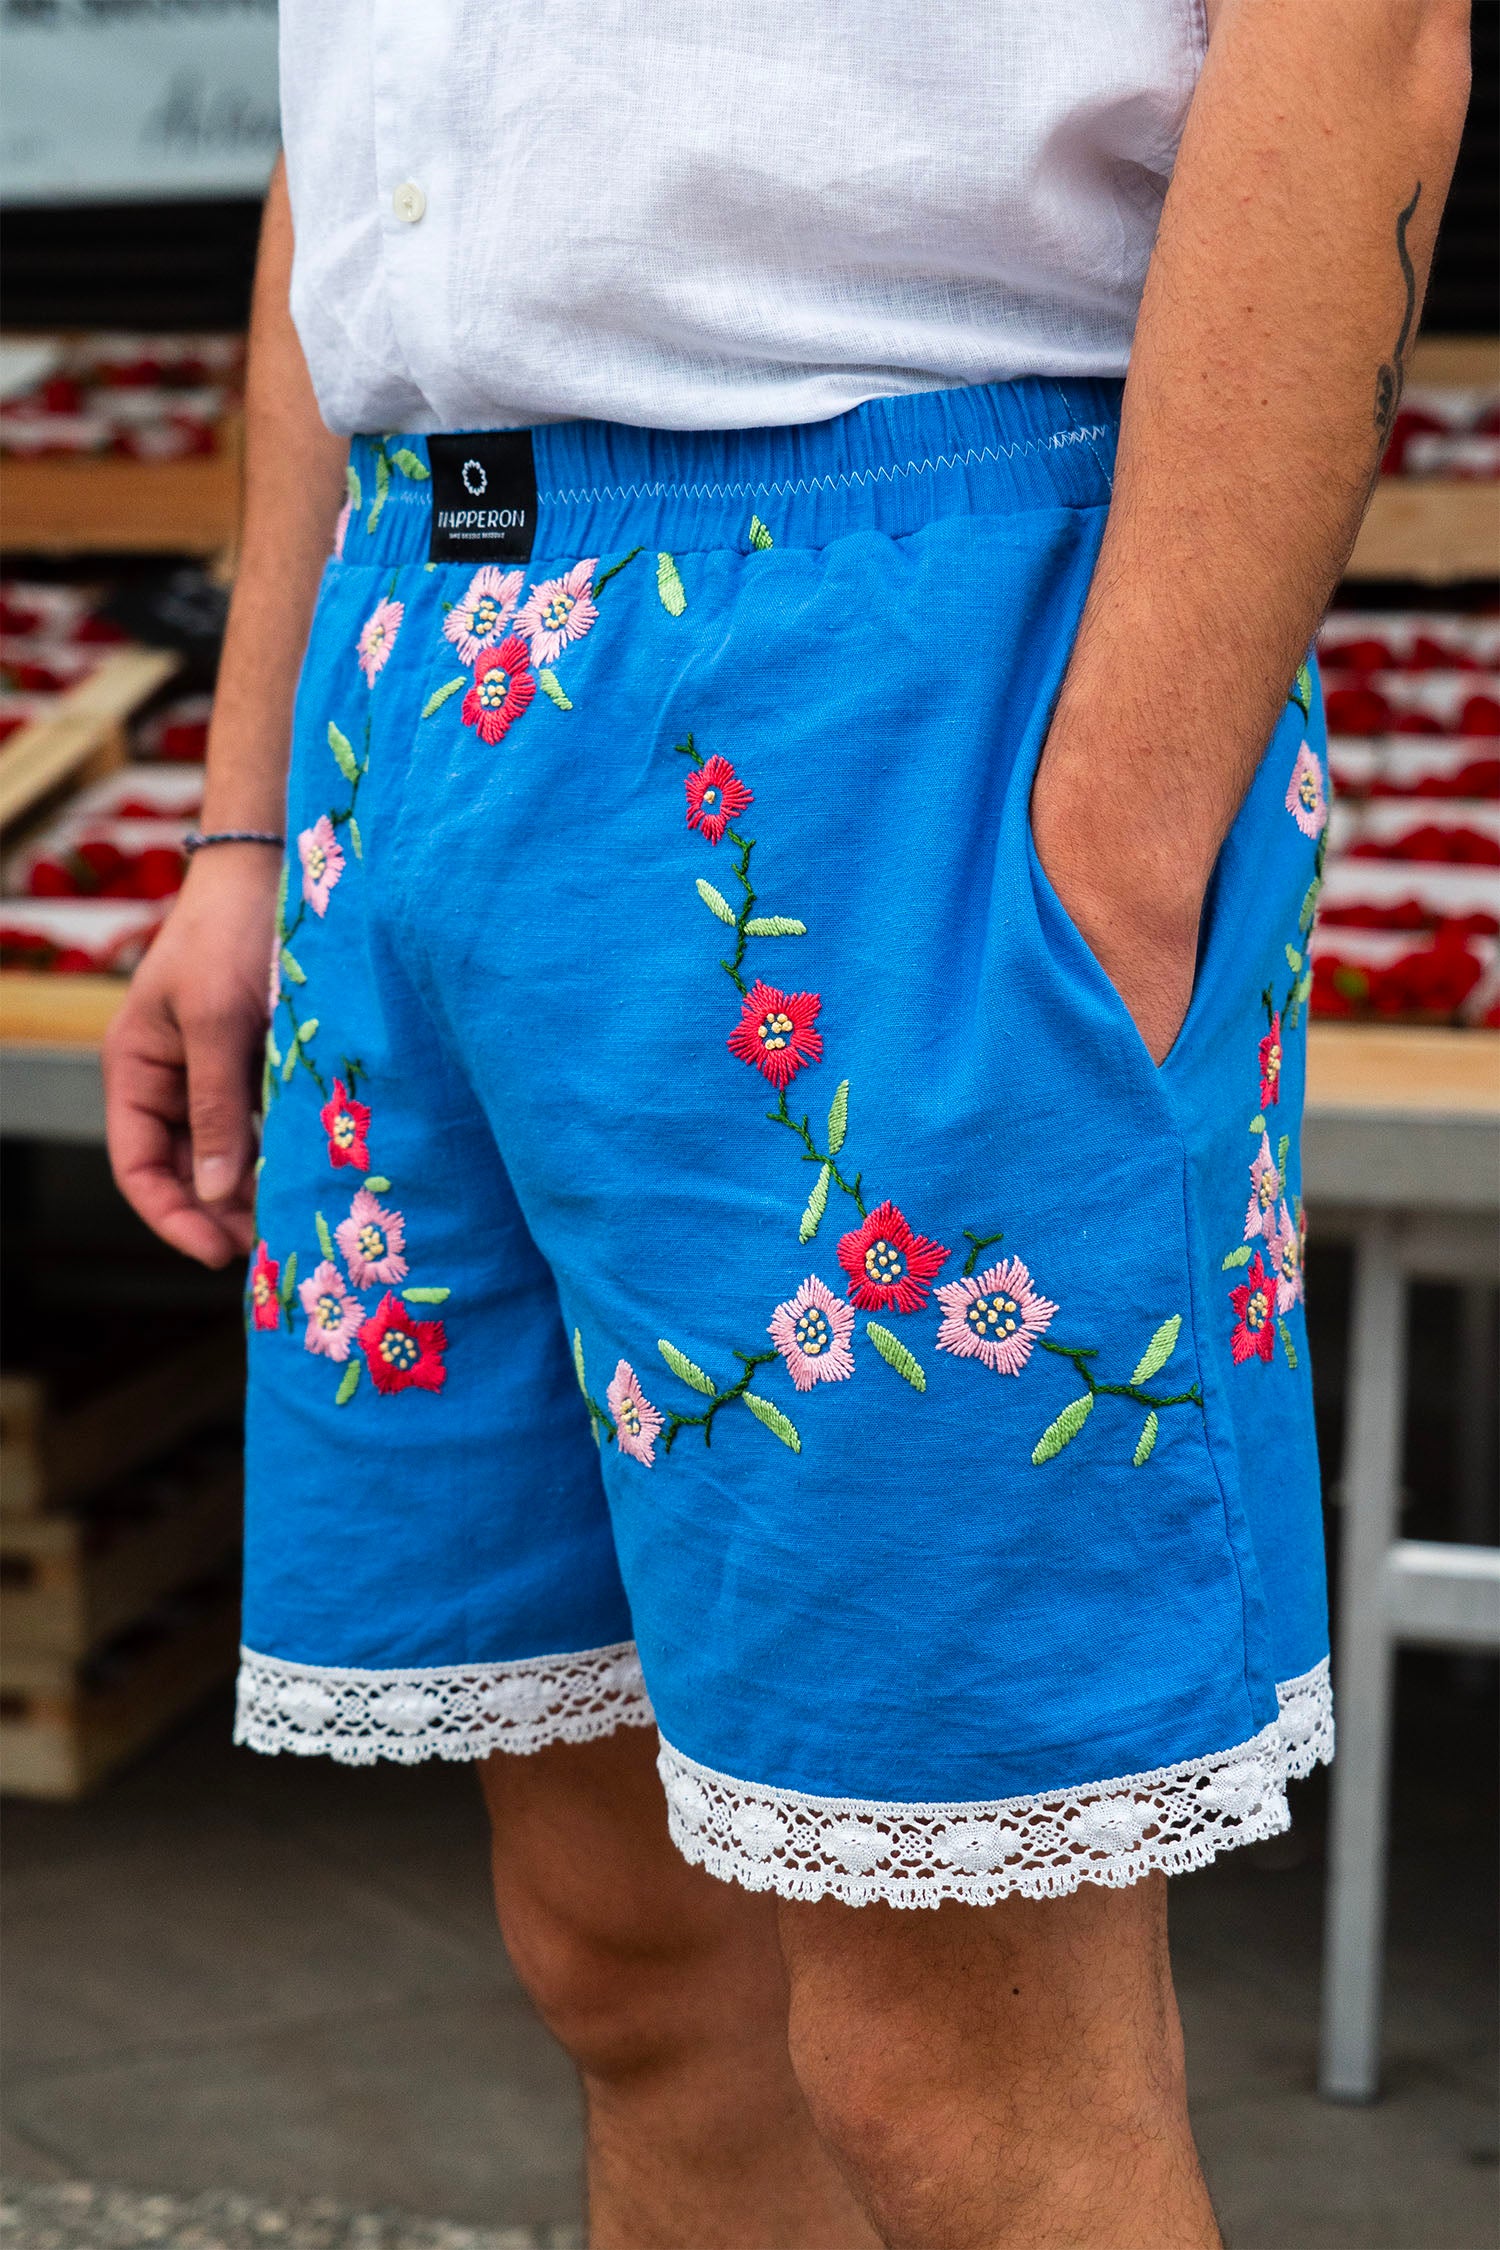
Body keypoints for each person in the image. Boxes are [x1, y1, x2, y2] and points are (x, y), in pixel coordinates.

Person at [104, 3, 1469, 2243]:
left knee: (961, 2079)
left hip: (899, 660)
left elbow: (1367, 30)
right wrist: (245, 820)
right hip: (415, 649)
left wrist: (1121, 849)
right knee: (628, 1963)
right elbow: (344, 130)